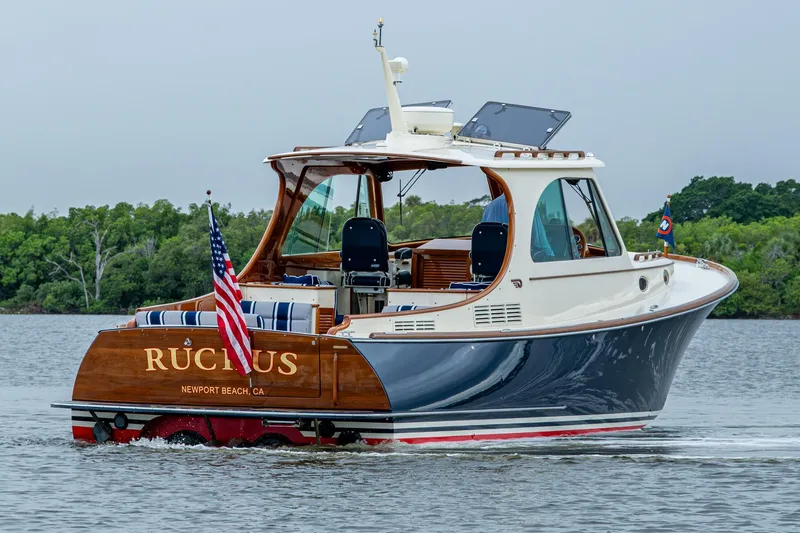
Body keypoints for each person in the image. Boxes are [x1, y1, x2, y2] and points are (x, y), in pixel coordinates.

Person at [482, 194, 555, 260]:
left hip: (492, 263)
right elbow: (540, 241)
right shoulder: (528, 205)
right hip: (518, 262)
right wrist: (551, 256)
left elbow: (484, 239)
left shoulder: (489, 207)